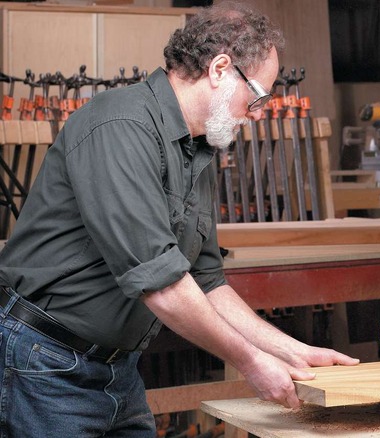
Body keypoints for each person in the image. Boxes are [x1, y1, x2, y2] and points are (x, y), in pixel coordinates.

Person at [0, 3, 358, 436]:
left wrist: (294, 352)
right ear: (220, 69)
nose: (259, 111)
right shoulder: (120, 125)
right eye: (258, 95)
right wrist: (250, 361)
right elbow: (161, 282)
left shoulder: (196, 149)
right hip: (48, 364)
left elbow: (207, 282)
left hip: (118, 369)